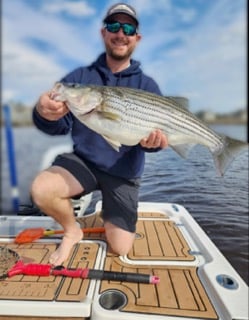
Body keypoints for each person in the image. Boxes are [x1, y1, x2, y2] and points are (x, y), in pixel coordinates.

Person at [31, 3, 168, 266]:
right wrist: (43, 112)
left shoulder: (147, 86)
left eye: (128, 28)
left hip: (124, 174)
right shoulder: (81, 77)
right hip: (85, 164)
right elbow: (57, 126)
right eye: (113, 26)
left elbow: (150, 141)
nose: (120, 33)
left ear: (136, 38)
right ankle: (73, 230)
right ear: (103, 33)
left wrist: (154, 144)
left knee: (120, 247)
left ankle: (111, 213)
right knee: (42, 189)